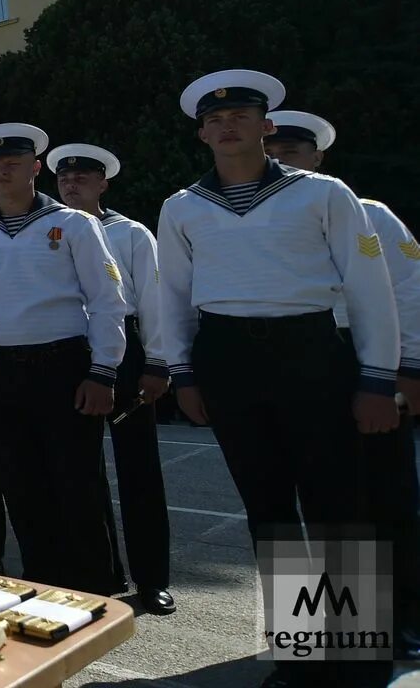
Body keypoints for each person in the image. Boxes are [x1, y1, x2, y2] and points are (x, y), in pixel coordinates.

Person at [161, 73, 399, 688]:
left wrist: (378, 378)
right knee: (267, 510)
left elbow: (370, 289)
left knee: (338, 508)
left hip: (311, 352)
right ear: (201, 133)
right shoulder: (183, 206)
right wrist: (182, 372)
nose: (227, 126)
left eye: (241, 115)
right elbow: (174, 297)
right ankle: (301, 654)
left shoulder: (322, 194)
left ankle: (358, 659)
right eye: (215, 120)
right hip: (228, 358)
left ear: (267, 126)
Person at [265, 109, 420, 661]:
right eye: (273, 150)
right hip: (297, 362)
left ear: (318, 157)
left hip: (367, 357)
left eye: (294, 151)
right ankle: (324, 632)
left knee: (387, 494)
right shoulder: (254, 216)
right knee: (316, 505)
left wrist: (408, 370)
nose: (281, 159)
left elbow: (407, 291)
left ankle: (404, 618)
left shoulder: (368, 212)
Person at [0, 124, 128, 596]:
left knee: (75, 483)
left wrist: (103, 370)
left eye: (13, 164)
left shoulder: (77, 225)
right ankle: (41, 582)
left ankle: (94, 587)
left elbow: (107, 300)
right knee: (19, 485)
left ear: (35, 168)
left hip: (62, 367)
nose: (2, 172)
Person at [49, 143, 175, 614]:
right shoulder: (49, 229)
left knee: (138, 470)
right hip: (68, 357)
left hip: (125, 359)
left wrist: (158, 362)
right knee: (78, 471)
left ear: (104, 183)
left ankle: (152, 579)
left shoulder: (131, 234)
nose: (72, 184)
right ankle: (98, 573)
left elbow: (154, 300)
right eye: (64, 178)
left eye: (83, 177)